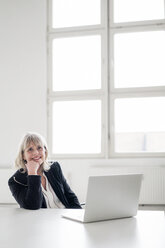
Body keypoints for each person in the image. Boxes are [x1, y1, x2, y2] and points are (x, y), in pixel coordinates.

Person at [8, 132, 82, 210]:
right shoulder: (15, 181)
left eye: (39, 148)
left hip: (63, 216)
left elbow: (70, 196)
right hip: (40, 221)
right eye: (30, 149)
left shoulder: (54, 167)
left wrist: (79, 215)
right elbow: (33, 206)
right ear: (23, 155)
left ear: (45, 150)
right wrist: (32, 173)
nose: (36, 153)